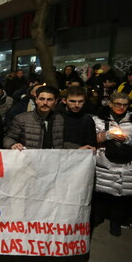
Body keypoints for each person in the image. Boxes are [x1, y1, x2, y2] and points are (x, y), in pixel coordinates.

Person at [92, 92, 132, 236]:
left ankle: (116, 223)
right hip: (104, 163)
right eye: (118, 104)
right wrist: (108, 135)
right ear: (110, 104)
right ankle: (98, 217)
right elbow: (91, 138)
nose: (121, 107)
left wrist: (126, 139)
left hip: (126, 164)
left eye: (125, 104)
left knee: (120, 197)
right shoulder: (99, 120)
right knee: (101, 194)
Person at [4, 86, 64, 150]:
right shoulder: (21, 119)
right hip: (30, 157)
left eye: (49, 100)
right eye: (42, 99)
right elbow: (8, 138)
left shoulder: (60, 119)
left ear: (55, 101)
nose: (45, 103)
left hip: (54, 158)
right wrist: (13, 144)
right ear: (36, 100)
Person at [56, 86, 97, 151]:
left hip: (82, 157)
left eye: (80, 101)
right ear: (64, 101)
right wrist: (77, 148)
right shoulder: (55, 117)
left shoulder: (87, 119)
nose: (77, 105)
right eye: (72, 101)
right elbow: (54, 142)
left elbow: (92, 143)